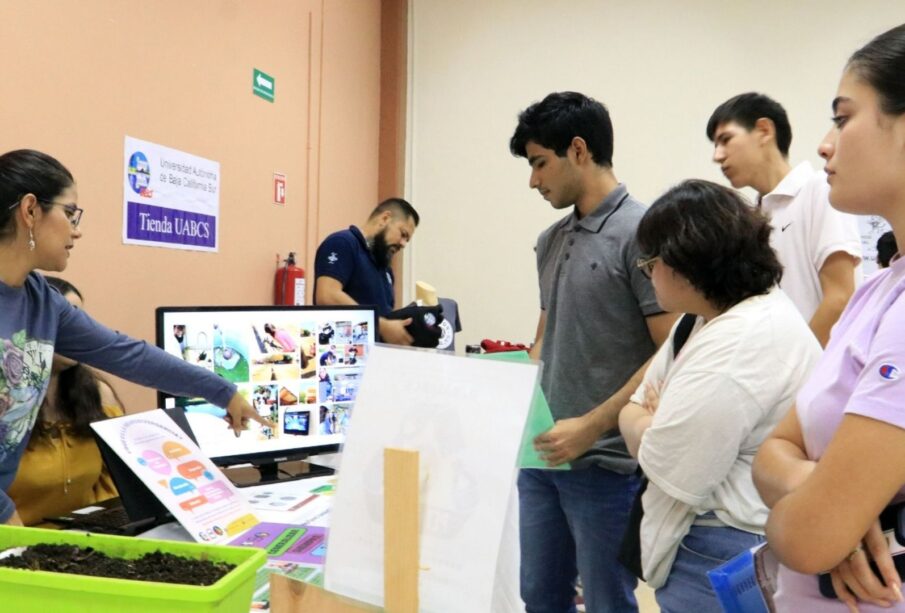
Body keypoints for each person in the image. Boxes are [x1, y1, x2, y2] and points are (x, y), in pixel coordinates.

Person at [0, 149, 270, 525]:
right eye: (70, 213)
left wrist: (221, 391)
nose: (77, 229)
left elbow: (126, 354)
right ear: (30, 211)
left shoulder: (42, 301)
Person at [752, 24, 905, 611]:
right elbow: (774, 450)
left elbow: (809, 540)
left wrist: (821, 520)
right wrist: (827, 499)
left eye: (843, 118)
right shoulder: (878, 291)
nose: (824, 144)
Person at [617, 180, 821, 611]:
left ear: (684, 262)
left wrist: (650, 425)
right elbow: (633, 409)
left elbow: (671, 466)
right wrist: (649, 422)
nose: (648, 274)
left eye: (650, 263)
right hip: (707, 540)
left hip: (723, 545)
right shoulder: (702, 321)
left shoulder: (744, 337)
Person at [509, 91, 676, 612]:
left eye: (540, 163)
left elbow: (671, 350)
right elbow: (546, 336)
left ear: (578, 150)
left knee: (607, 601)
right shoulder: (549, 240)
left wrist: (593, 425)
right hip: (541, 459)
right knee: (539, 595)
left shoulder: (644, 234)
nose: (534, 180)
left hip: (606, 465)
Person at [707, 92, 863, 347]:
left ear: (764, 130)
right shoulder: (751, 217)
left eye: (726, 140)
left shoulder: (819, 190)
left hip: (815, 373)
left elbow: (840, 297)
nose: (718, 156)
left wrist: (795, 371)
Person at [6, 277, 128, 526]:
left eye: (78, 323)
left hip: (83, 543)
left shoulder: (98, 394)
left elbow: (115, 487)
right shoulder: (6, 399)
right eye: (61, 323)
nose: (76, 335)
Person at [313, 198, 419, 345]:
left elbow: (385, 317)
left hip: (375, 359)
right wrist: (380, 324)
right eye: (403, 234)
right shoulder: (343, 243)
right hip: (342, 357)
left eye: (407, 240)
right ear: (385, 218)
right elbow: (327, 295)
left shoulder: (385, 269)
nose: (404, 244)